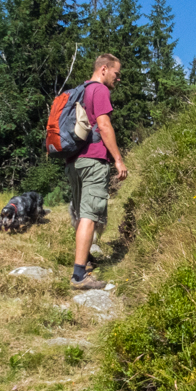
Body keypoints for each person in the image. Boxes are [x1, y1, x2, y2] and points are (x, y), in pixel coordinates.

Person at [67, 53, 128, 289]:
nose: (118, 78)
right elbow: (103, 125)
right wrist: (118, 160)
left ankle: (87, 261)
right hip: (92, 161)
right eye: (116, 73)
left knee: (82, 213)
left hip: (73, 161)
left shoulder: (79, 90)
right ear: (104, 69)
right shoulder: (100, 90)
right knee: (90, 216)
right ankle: (79, 276)